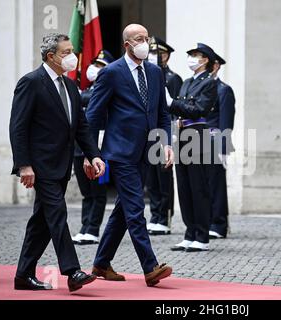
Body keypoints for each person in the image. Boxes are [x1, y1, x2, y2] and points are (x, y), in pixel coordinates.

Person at [9, 33, 105, 292]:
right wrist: (24, 165)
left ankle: (23, 274)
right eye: (66, 52)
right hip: (40, 166)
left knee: (41, 222)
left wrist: (93, 154)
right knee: (57, 214)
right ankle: (73, 272)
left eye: (72, 50)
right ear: (51, 56)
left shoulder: (70, 85)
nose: (72, 56)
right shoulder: (31, 82)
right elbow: (18, 127)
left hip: (62, 165)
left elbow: (81, 127)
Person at [86, 24, 174, 286]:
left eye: (146, 38)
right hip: (120, 152)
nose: (144, 43)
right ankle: (150, 267)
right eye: (139, 39)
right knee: (136, 209)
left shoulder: (156, 72)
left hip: (146, 152)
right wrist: (90, 154)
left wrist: (167, 144)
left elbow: (163, 113)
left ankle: (101, 263)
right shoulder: (111, 73)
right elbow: (93, 114)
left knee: (124, 210)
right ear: (127, 44)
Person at [166, 43, 218, 252]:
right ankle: (190, 232)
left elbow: (198, 109)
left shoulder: (209, 83)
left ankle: (202, 235)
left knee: (198, 187)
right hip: (182, 135)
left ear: (205, 59)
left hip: (198, 135)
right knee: (184, 187)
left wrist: (173, 104)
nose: (191, 59)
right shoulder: (187, 82)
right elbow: (182, 109)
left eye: (195, 55)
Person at [72, 50, 115, 245]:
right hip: (80, 147)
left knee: (98, 190)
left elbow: (85, 100)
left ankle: (93, 229)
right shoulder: (86, 90)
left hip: (99, 148)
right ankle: (84, 227)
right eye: (95, 65)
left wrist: (78, 96)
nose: (95, 69)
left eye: (100, 66)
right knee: (86, 191)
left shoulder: (108, 89)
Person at [145, 37, 183, 236]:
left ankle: (164, 217)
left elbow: (175, 107)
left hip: (166, 131)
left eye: (156, 53)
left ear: (166, 56)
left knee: (164, 175)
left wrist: (174, 135)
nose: (152, 57)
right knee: (151, 177)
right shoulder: (148, 76)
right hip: (150, 132)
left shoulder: (172, 78)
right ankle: (154, 215)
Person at [206, 52, 235, 239]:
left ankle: (219, 223)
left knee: (215, 185)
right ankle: (205, 221)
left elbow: (225, 123)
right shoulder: (198, 86)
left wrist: (224, 149)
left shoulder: (223, 90)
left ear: (216, 66)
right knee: (202, 185)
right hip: (195, 142)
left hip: (214, 142)